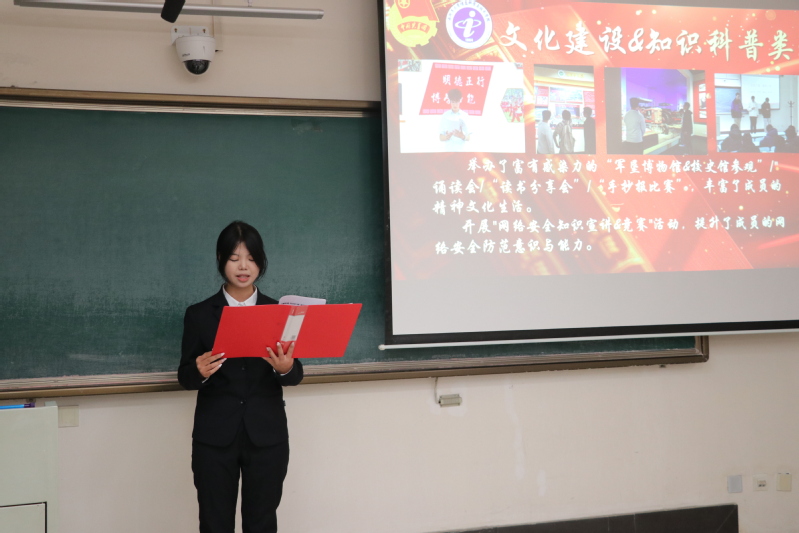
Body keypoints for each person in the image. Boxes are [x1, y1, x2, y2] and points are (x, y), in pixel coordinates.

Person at [179, 220, 304, 533]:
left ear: (261, 262)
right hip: (214, 437)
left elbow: (295, 374)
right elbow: (185, 376)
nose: (243, 266)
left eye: (251, 258)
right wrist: (198, 371)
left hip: (267, 435)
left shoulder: (280, 312)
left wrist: (284, 367)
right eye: (234, 258)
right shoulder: (199, 314)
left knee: (262, 523)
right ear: (221, 260)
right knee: (214, 523)